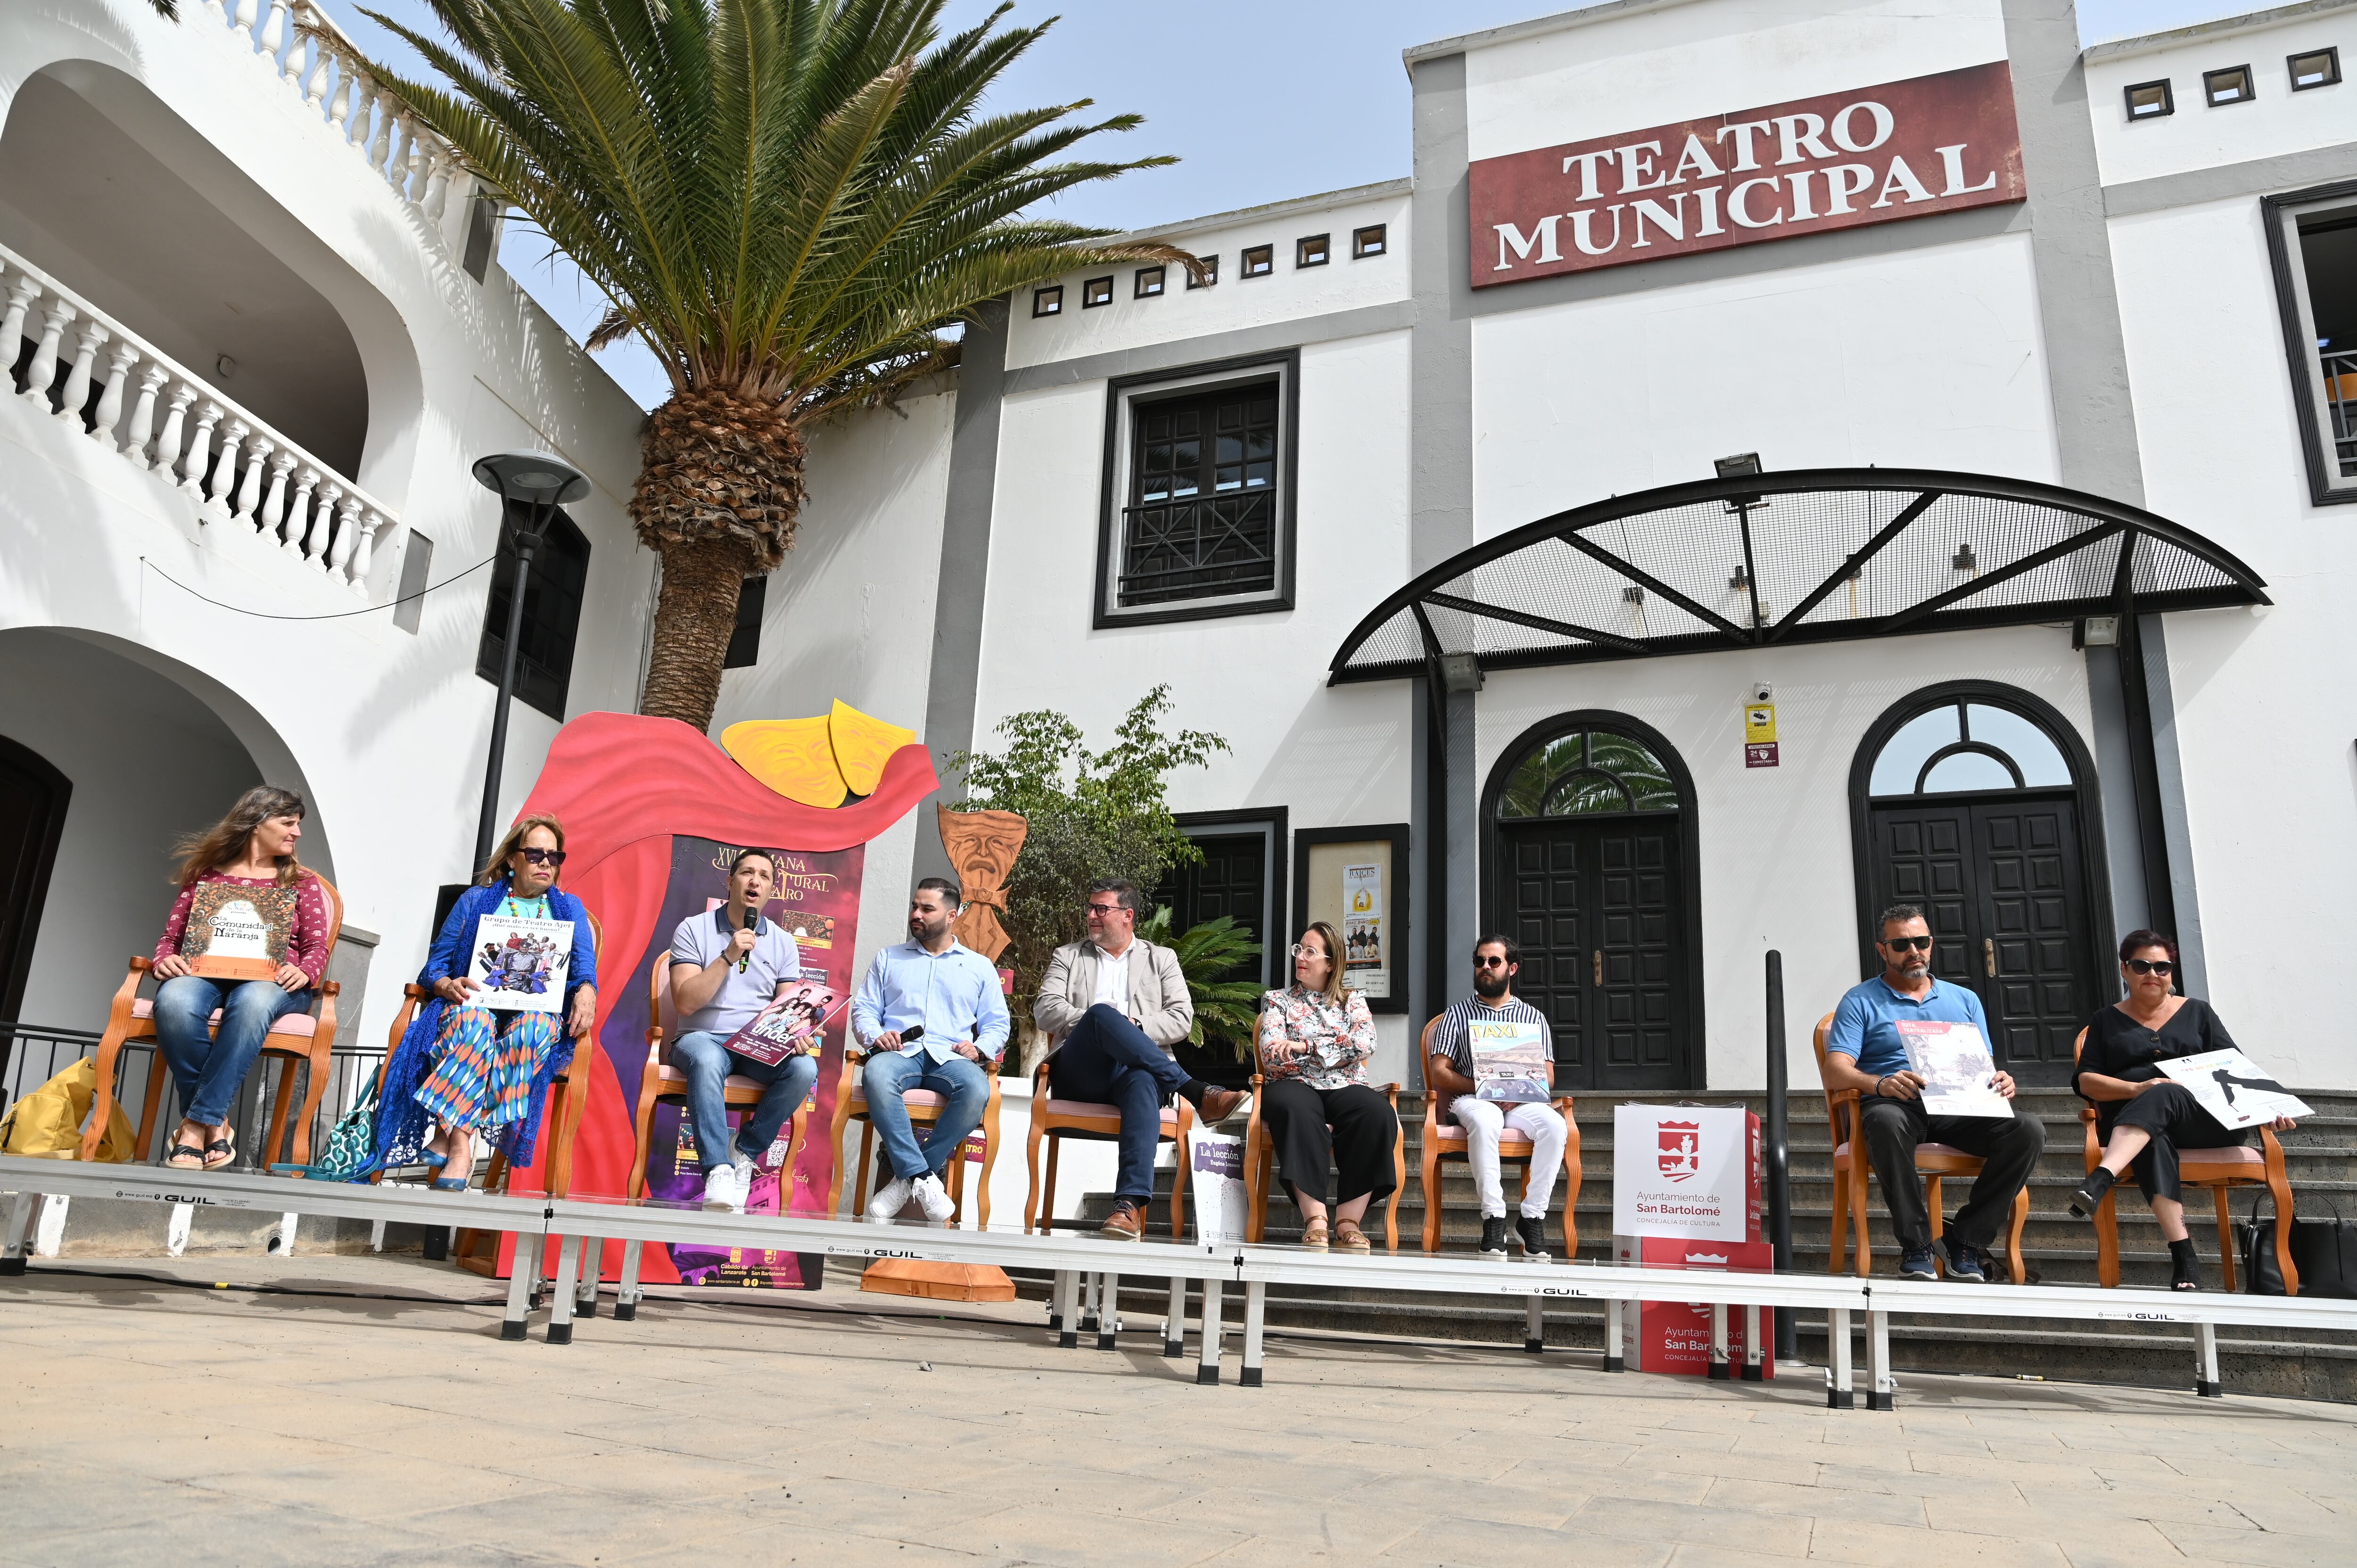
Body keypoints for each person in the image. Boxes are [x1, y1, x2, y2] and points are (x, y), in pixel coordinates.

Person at [1823, 904, 2044, 1281]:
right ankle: (1917, 1244)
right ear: (1883, 950)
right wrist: (1879, 1083)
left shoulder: (1964, 999)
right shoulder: (1860, 999)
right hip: (1898, 1103)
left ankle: (1965, 1240)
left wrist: (2001, 1080)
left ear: (1932, 943)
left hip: (1960, 1106)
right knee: (1885, 1119)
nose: (1914, 951)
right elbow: (1835, 1069)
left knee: (2028, 1130)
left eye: (1921, 941)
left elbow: (1984, 1065)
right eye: (1902, 944)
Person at [376, 816, 598, 1190]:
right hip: (471, 1006)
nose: (546, 862)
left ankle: (450, 1132)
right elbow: (435, 966)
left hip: (533, 1013)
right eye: (535, 854)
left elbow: (583, 966)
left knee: (536, 1030)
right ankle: (463, 1147)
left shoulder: (569, 908)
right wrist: (448, 985)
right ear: (513, 859)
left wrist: (588, 989)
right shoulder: (476, 900)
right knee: (474, 1026)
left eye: (554, 856)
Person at [2069, 931, 2292, 1291]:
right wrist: (2137, 1088)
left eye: (2162, 966)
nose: (2152, 973)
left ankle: (2100, 1179)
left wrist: (2269, 1109)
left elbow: (2236, 1069)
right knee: (2153, 1137)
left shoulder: (2198, 1012)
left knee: (2167, 1092)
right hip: (2133, 1125)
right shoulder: (2105, 1020)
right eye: (2142, 965)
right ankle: (2184, 1255)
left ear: (2172, 971)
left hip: (2204, 1121)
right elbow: (2086, 1081)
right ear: (2125, 969)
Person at [1035, 878, 1245, 1240]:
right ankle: (1197, 1092)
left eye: (1101, 909)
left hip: (1135, 1073)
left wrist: (1135, 1026)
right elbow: (1045, 1010)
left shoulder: (1161, 958)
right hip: (1081, 1072)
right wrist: (1100, 1022)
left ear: (1127, 915)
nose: (1091, 916)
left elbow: (1181, 1018)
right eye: (1090, 908)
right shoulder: (1068, 956)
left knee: (1143, 1081)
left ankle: (1128, 1207)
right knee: (1102, 1015)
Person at [151, 786, 330, 1171]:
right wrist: (164, 960)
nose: (297, 833)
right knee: (174, 1001)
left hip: (276, 985)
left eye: (298, 825)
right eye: (288, 823)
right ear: (256, 823)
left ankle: (194, 1129)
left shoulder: (303, 882)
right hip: (205, 976)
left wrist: (305, 970)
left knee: (251, 1003)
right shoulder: (207, 876)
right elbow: (171, 939)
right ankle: (215, 1122)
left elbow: (318, 947)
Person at [849, 879, 1011, 1223]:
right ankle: (923, 1177)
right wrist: (877, 1036)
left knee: (977, 1088)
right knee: (876, 1073)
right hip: (899, 1052)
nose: (916, 915)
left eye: (927, 909)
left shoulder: (979, 966)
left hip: (951, 1057)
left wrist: (980, 1048)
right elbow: (863, 1009)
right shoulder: (888, 957)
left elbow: (998, 1024)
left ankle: (907, 1178)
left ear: (952, 915)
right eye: (914, 907)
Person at [666, 849, 812, 1214]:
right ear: (730, 882)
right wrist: (728, 956)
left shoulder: (783, 942)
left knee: (805, 1069)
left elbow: (786, 1008)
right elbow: (685, 1002)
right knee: (707, 1058)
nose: (755, 881)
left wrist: (796, 1032)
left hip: (756, 1042)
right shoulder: (692, 928)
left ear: (770, 890)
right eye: (747, 873)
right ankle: (718, 1167)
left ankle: (745, 1151)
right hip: (702, 1036)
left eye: (764, 876)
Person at [1255, 921, 1397, 1253]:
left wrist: (1305, 1048)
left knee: (1377, 1112)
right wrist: (1336, 1051)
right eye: (1298, 949)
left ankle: (1348, 1221)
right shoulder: (1278, 1001)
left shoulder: (1353, 1001)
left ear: (1331, 963)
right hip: (1293, 1085)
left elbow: (1366, 1043)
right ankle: (1316, 1219)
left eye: (1310, 951)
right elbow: (1273, 1054)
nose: (1300, 957)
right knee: (1296, 1108)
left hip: (1345, 1086)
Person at [1424, 935, 1567, 1260]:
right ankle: (1494, 1218)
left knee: (1556, 1127)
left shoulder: (1534, 1018)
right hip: (1472, 1098)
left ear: (1512, 968)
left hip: (1520, 1104)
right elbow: (1440, 1072)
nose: (1485, 967)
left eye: (1494, 961)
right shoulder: (1456, 1015)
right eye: (1480, 961)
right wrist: (1484, 1087)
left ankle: (1532, 1219)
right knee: (1487, 1118)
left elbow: (1548, 1075)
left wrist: (1515, 1094)